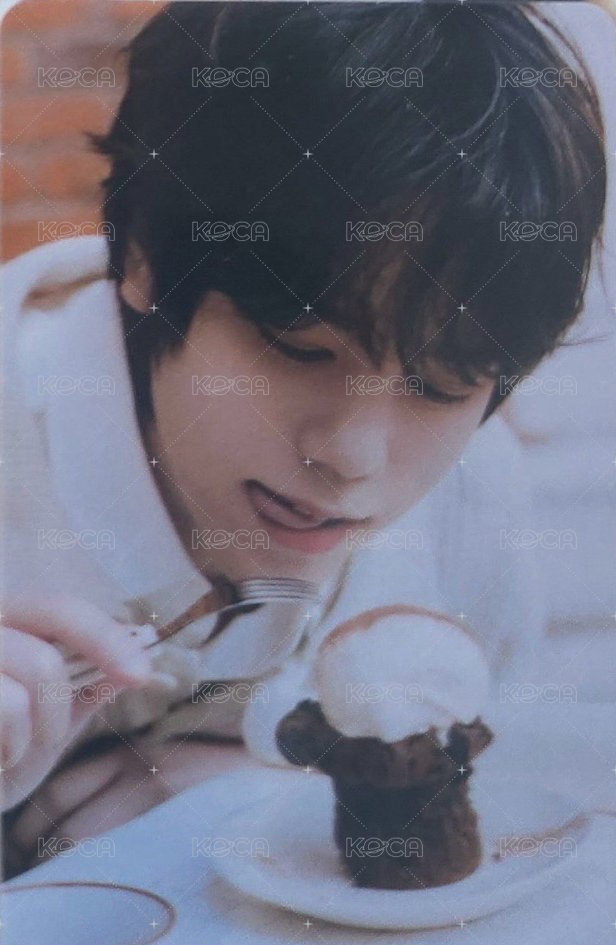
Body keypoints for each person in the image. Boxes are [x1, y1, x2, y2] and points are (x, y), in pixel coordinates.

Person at [0, 1, 608, 873]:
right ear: (140, 256)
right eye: (298, 348)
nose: (353, 458)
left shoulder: (473, 508)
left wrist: (264, 797)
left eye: (441, 386)